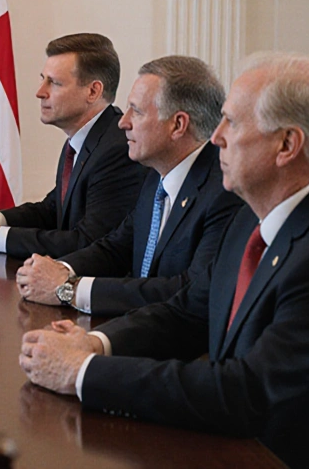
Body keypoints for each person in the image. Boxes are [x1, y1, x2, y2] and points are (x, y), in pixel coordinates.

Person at [19, 53, 309, 469]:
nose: (215, 136)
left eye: (232, 123)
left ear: (287, 145)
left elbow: (248, 394)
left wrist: (83, 372)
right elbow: (190, 309)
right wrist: (96, 342)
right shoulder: (251, 217)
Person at [15, 56, 244, 315]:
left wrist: (71, 289)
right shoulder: (156, 174)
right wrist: (60, 270)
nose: (123, 122)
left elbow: (188, 290)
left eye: (136, 111)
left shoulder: (225, 192)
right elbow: (117, 247)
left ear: (178, 125)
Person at [0, 33, 148, 258]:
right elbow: (52, 210)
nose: (40, 92)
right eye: (43, 78)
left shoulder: (117, 150)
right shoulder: (84, 139)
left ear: (93, 91)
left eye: (53, 82)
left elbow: (89, 243)